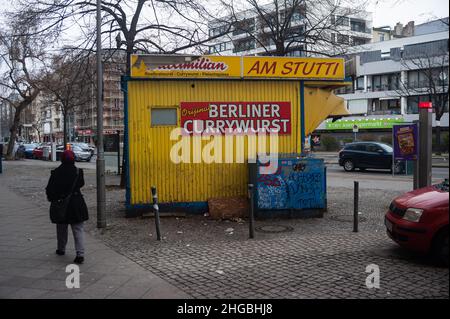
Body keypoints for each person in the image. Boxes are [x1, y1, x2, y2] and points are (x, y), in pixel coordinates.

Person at [46, 149, 89, 264]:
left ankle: (61, 249)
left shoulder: (56, 173)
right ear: (73, 159)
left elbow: (49, 189)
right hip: (76, 203)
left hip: (61, 204)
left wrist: (53, 199)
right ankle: (80, 254)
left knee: (61, 229)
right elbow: (81, 184)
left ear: (62, 159)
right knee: (78, 229)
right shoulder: (78, 172)